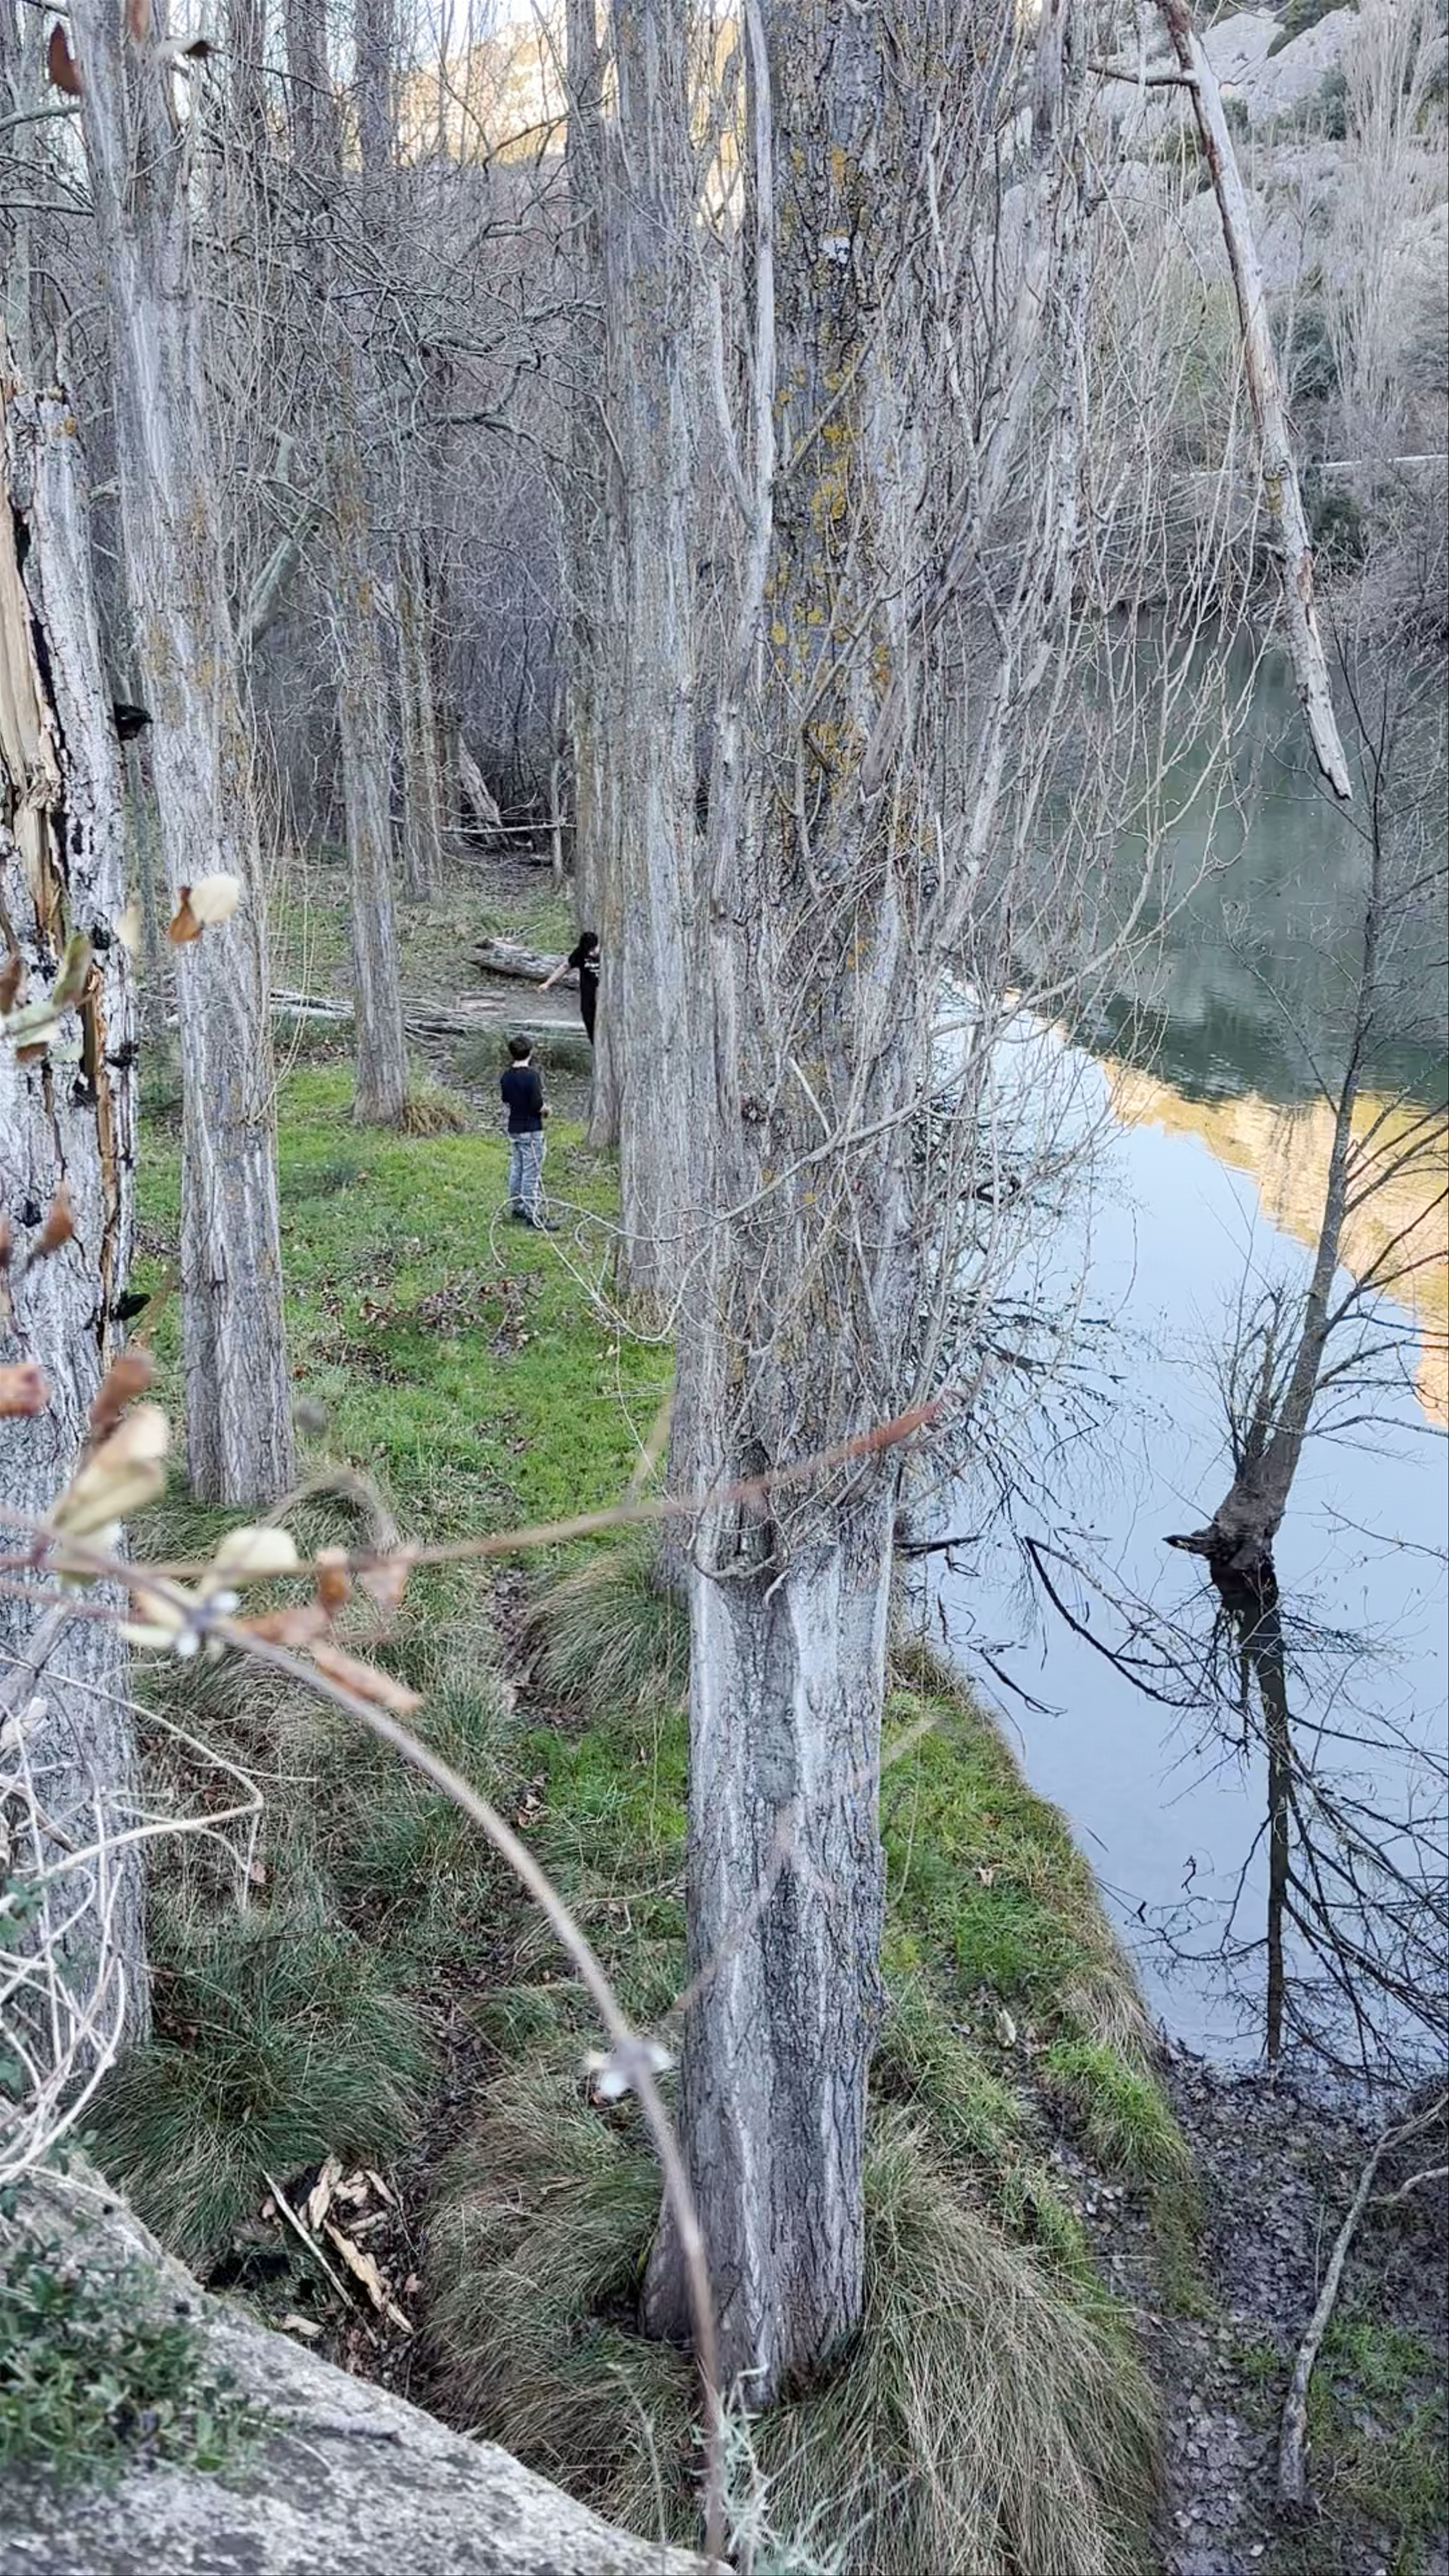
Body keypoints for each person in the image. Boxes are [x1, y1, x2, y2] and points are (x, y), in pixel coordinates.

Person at [499, 1033, 554, 1229]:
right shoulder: (532, 1076)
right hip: (531, 1130)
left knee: (518, 1168)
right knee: (532, 1172)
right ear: (530, 1053)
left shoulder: (506, 1076)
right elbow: (537, 1104)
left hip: (514, 1128)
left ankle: (517, 1206)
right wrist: (547, 1110)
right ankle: (533, 1215)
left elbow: (506, 1099)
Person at [538, 929, 599, 1045]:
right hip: (588, 996)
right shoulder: (580, 953)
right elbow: (565, 967)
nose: (592, 954)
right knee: (589, 1020)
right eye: (589, 951)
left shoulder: (607, 954)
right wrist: (548, 983)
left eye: (593, 950)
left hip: (605, 997)